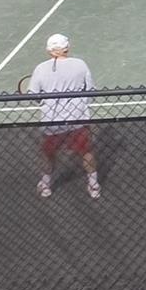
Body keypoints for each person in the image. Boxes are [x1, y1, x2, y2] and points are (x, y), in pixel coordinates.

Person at [29, 33, 100, 199]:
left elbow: (34, 96)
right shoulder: (80, 65)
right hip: (78, 119)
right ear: (67, 48)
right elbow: (90, 90)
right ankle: (94, 185)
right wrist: (82, 104)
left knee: (49, 155)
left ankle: (46, 185)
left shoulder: (40, 68)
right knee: (87, 153)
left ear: (50, 51)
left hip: (52, 122)